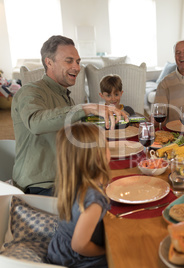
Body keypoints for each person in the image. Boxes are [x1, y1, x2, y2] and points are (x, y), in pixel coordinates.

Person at [11, 35, 128, 195]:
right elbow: (36, 122)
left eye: (78, 62)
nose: (77, 67)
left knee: (121, 183)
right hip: (41, 186)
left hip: (69, 178)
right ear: (49, 62)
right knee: (103, 201)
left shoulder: (67, 99)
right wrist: (86, 108)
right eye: (69, 61)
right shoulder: (30, 91)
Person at [46, 123, 110, 267]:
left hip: (59, 250)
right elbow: (79, 245)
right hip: (74, 259)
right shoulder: (94, 201)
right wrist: (105, 251)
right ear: (99, 157)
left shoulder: (72, 182)